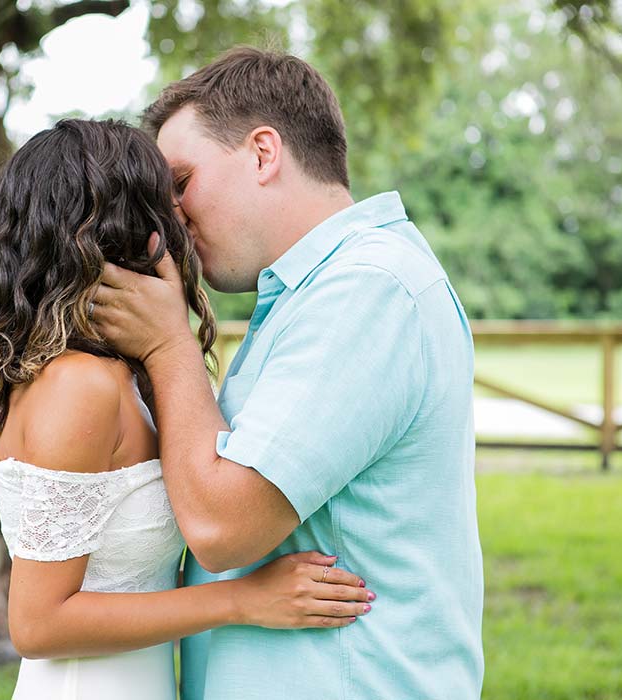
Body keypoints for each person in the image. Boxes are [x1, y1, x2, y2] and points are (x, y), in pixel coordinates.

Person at [0, 118, 374, 700]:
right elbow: (37, 624)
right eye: (167, 206)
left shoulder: (121, 376)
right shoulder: (77, 385)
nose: (182, 223)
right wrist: (243, 599)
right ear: (129, 228)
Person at [91, 47, 485, 699]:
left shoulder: (367, 291)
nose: (173, 220)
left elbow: (223, 529)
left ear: (264, 153)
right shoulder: (315, 293)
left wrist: (168, 347)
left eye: (182, 183)